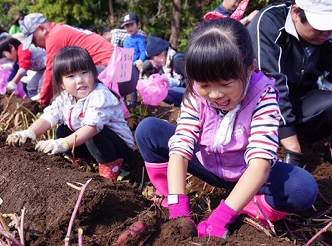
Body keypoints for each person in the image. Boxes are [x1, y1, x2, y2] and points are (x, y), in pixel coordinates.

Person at [135, 18, 318, 238]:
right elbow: (181, 146)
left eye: (225, 84)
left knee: (303, 189)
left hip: (250, 174)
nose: (215, 95)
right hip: (208, 165)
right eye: (205, 86)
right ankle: (169, 196)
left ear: (250, 68)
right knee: (149, 131)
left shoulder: (263, 97)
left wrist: (222, 216)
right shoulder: (195, 94)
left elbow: (260, 164)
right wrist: (179, 209)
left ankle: (250, 206)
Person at [247, 0, 332, 167]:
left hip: (300, 101)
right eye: (319, 27)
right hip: (258, 103)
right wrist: (292, 148)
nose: (327, 32)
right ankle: (281, 139)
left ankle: (312, 140)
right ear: (296, 12)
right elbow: (270, 84)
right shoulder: (269, 23)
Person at [6, 46, 134, 180]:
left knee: (94, 135)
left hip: (118, 148)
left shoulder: (100, 95)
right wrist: (29, 133)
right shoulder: (65, 97)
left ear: (93, 73)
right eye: (71, 76)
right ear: (61, 83)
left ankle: (111, 166)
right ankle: (82, 162)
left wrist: (63, 144)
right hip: (91, 145)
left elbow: (92, 128)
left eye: (84, 72)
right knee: (62, 131)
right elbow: (50, 117)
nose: (79, 80)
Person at [19, 13, 139, 105]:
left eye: (33, 40)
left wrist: (43, 102)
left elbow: (51, 73)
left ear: (41, 29)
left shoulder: (54, 37)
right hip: (127, 70)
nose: (35, 45)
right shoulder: (61, 29)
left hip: (116, 75)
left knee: (73, 84)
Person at [141, 35, 186, 106]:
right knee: (159, 90)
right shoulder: (165, 66)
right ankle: (181, 107)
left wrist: (178, 83)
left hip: (194, 95)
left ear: (162, 53)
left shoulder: (178, 61)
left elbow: (195, 82)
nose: (153, 61)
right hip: (185, 94)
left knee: (165, 90)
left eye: (153, 58)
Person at [121, 12, 147, 104]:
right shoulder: (126, 40)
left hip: (135, 66)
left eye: (131, 25)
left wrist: (140, 60)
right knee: (122, 84)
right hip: (126, 66)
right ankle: (123, 102)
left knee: (133, 86)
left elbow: (143, 51)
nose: (130, 28)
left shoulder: (141, 39)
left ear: (138, 24)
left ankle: (133, 103)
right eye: (127, 26)